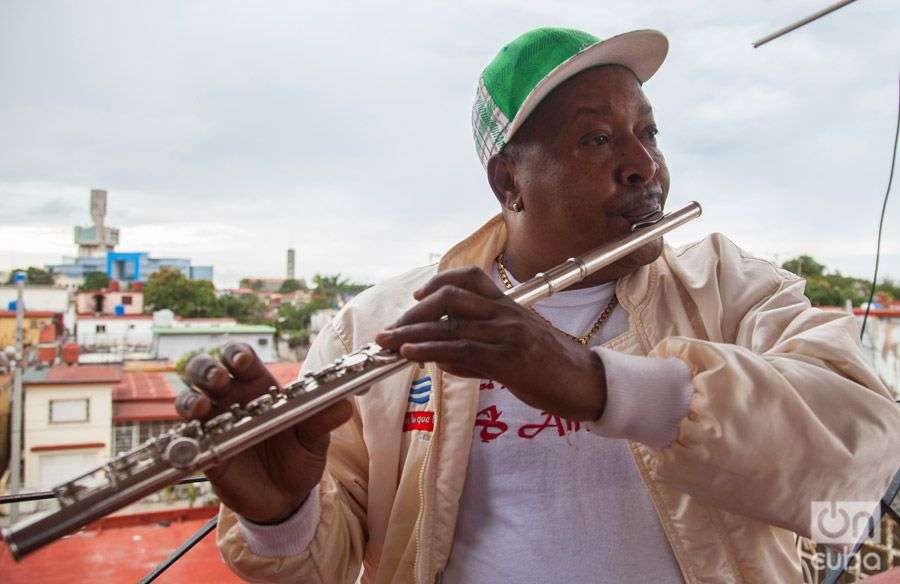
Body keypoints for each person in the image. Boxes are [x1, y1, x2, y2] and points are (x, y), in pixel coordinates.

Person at [177, 28, 900, 583]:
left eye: (647, 132)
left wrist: (596, 383)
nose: (645, 166)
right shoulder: (378, 326)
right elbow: (318, 566)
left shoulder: (732, 289)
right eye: (597, 138)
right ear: (509, 182)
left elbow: (869, 454)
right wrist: (278, 514)